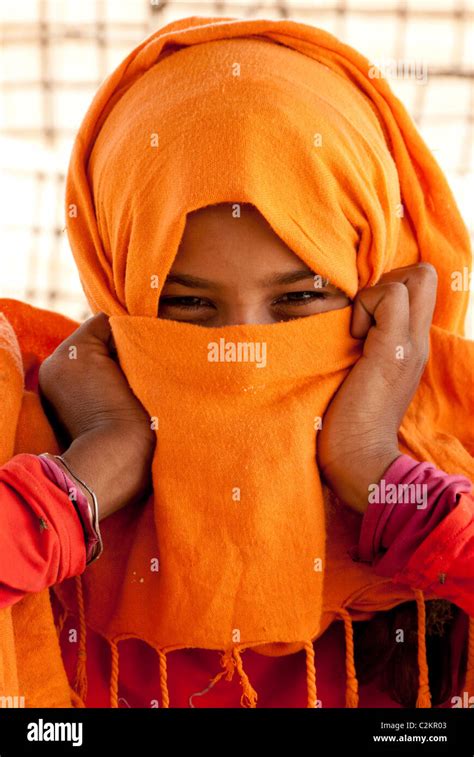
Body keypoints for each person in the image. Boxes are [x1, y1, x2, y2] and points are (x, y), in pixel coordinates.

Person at [0, 15, 473, 709]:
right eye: (187, 307)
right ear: (116, 289)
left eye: (300, 300)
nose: (244, 354)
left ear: (376, 289)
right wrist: (84, 482)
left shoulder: (446, 470)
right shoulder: (28, 438)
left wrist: (381, 475)